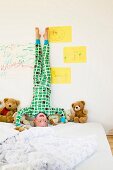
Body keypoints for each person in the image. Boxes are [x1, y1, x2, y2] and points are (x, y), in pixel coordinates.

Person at [15, 27, 64, 126]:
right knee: (45, 60)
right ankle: (46, 39)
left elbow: (20, 113)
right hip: (46, 83)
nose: (43, 119)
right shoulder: (49, 111)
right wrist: (63, 120)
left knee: (38, 60)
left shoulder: (31, 111)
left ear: (34, 121)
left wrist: (17, 123)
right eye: (45, 121)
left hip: (37, 82)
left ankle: (37, 38)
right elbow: (61, 111)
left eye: (40, 121)